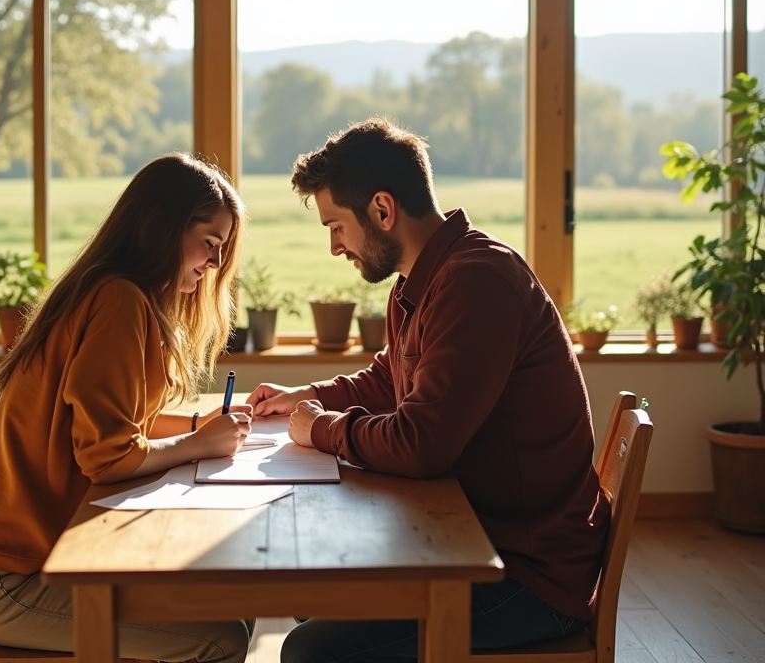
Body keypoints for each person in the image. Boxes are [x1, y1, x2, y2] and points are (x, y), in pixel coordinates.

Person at [249, 118, 610, 660]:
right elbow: (386, 381)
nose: (334, 247)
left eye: (336, 227)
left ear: (382, 210)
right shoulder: (421, 282)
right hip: (472, 541)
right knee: (313, 589)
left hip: (526, 578)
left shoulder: (477, 281)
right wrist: (305, 396)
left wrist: (322, 428)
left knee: (309, 651)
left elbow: (421, 444)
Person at [0, 153, 255, 658]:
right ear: (163, 227)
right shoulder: (118, 300)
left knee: (231, 607)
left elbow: (122, 421)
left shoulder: (115, 291)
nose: (215, 265)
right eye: (210, 244)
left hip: (31, 562)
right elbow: (108, 455)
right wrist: (197, 442)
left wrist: (202, 427)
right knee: (219, 639)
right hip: (11, 582)